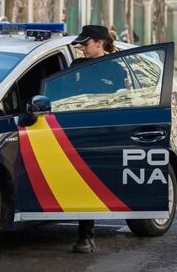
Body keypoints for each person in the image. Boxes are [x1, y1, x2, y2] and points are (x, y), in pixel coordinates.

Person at [70, 24, 116, 253]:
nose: (82, 48)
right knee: (80, 182)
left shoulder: (116, 67)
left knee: (93, 182)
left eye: (86, 44)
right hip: (75, 130)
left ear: (100, 43)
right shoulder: (76, 66)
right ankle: (84, 235)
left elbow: (123, 101)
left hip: (104, 133)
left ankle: (87, 236)